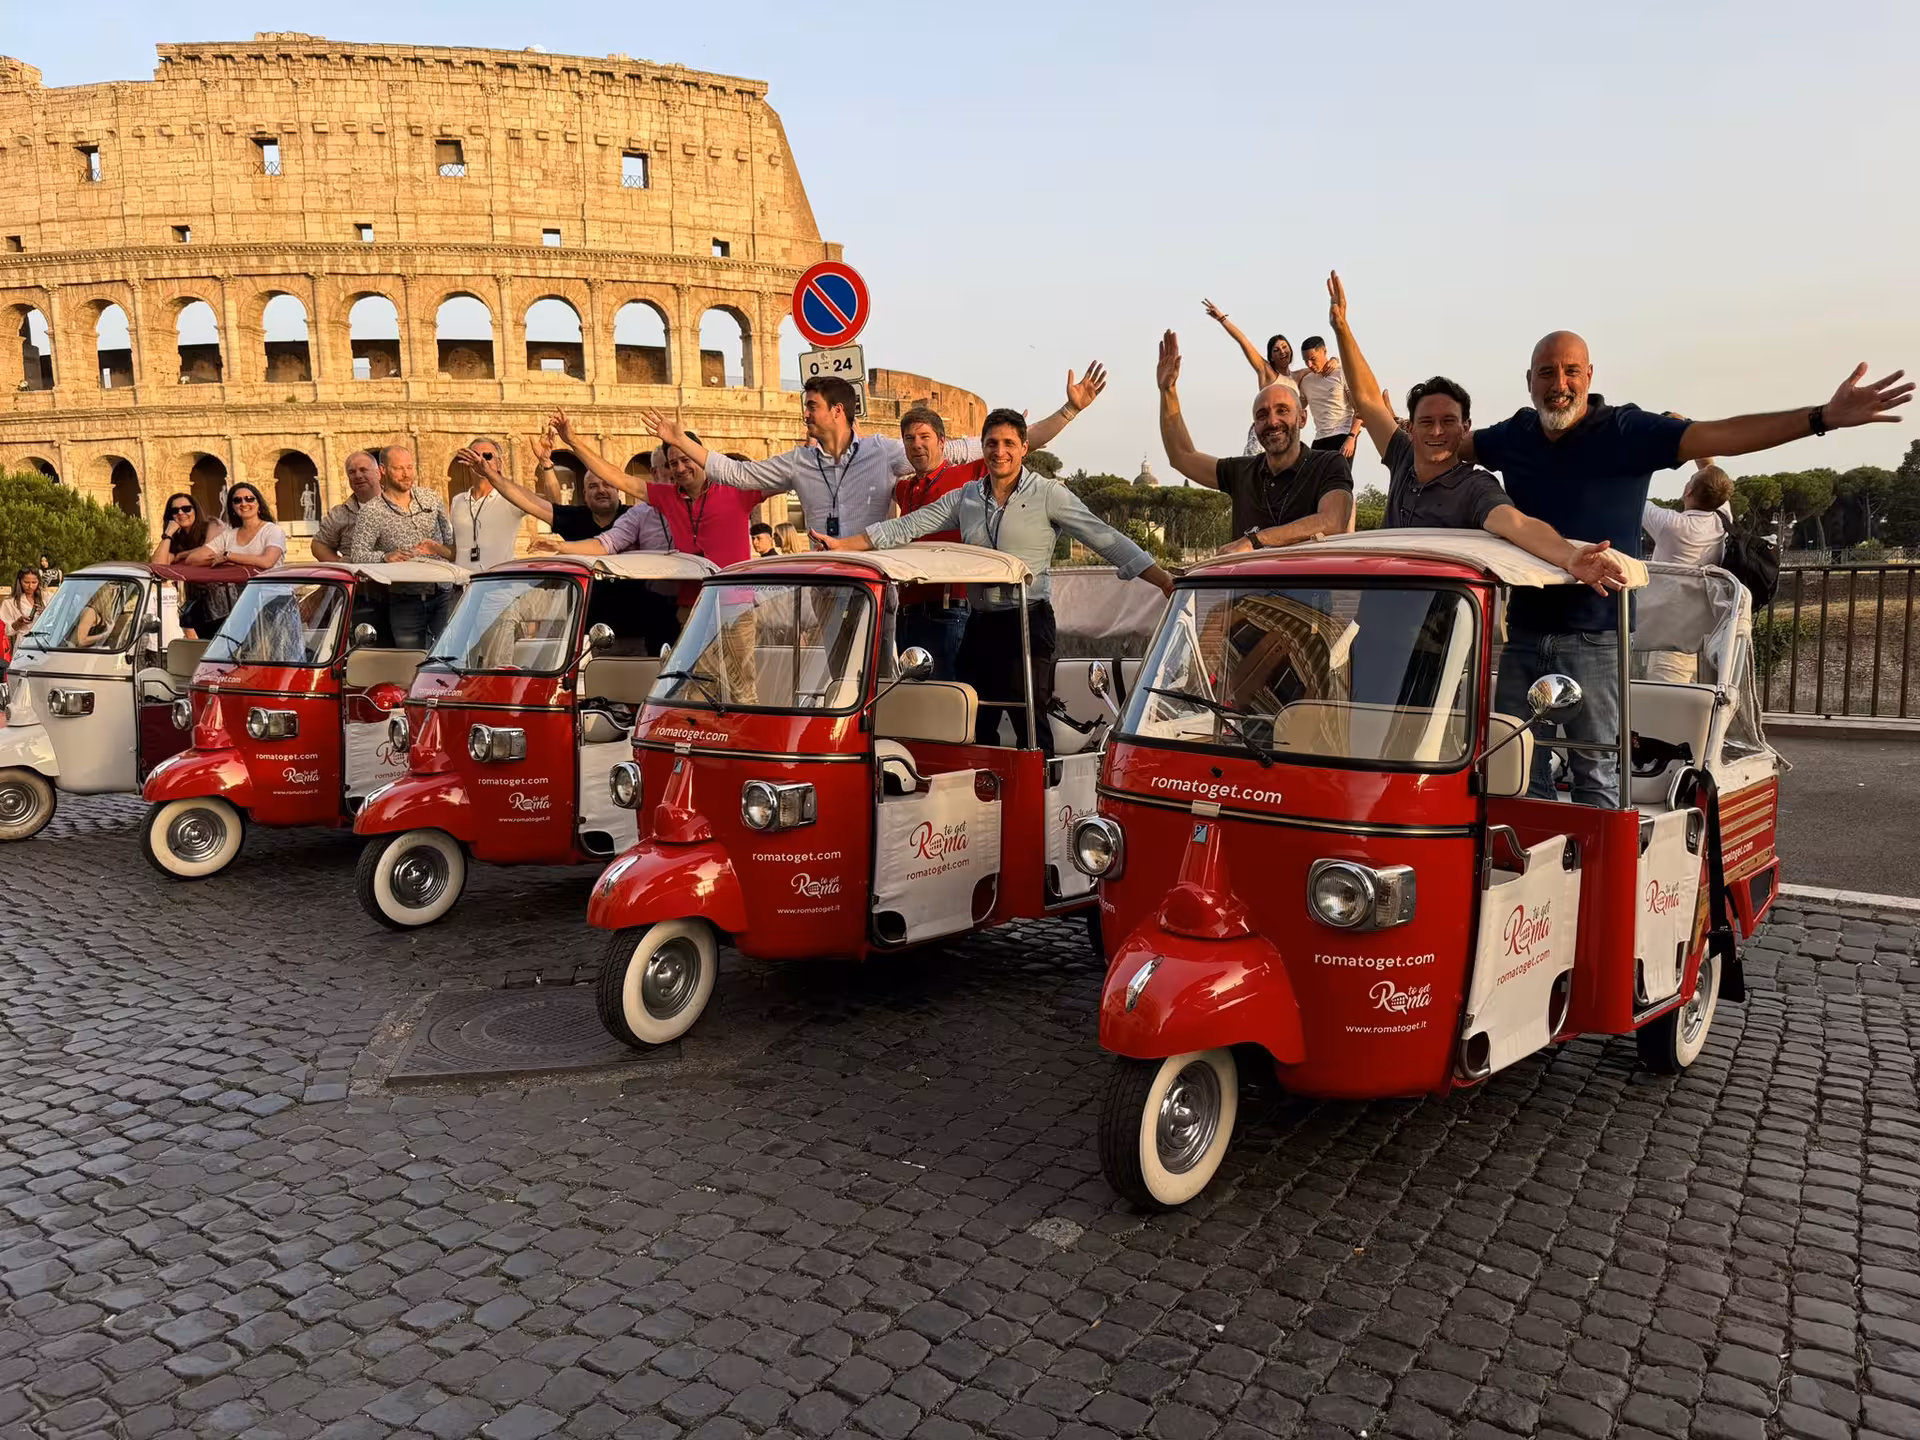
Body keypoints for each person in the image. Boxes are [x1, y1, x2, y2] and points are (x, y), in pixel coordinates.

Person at [1460, 331, 1910, 808]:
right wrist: (1387, 427)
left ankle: (1601, 878)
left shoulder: (1625, 431)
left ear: (1589, 376)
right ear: (1530, 380)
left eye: (1571, 370)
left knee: (1596, 770)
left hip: (1598, 635)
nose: (1560, 383)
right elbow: (1441, 443)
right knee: (1515, 765)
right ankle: (1537, 872)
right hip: (1524, 631)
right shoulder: (1515, 435)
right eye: (1547, 372)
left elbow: (1722, 434)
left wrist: (1821, 418)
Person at [818, 407, 1174, 754]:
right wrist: (843, 545)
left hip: (1028, 621)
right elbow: (906, 526)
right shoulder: (967, 496)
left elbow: (1105, 538)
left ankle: (1039, 799)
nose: (998, 452)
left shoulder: (1049, 494)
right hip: (979, 623)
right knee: (976, 720)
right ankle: (984, 804)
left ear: (1023, 448)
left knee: (1029, 720)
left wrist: (1162, 580)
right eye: (991, 443)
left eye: (1007, 443)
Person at [1327, 273, 1627, 583]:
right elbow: (1366, 400)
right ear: (1411, 428)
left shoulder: (1475, 488)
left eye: (1449, 422)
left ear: (1465, 427)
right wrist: (1342, 327)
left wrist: (1568, 557)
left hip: (1443, 626)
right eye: (1427, 423)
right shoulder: (1403, 456)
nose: (1437, 432)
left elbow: (1519, 525)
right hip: (1381, 607)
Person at [642, 366, 1104, 541]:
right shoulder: (799, 462)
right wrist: (679, 439)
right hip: (823, 575)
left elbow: (992, 449)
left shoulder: (887, 452)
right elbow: (738, 475)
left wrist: (1068, 410)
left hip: (876, 578)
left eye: (812, 408)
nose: (805, 416)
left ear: (838, 411)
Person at [1157, 330, 1354, 550]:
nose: (1272, 421)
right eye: (1262, 415)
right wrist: (1168, 392)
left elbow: (1333, 521)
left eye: (1282, 411)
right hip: (1249, 585)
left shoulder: (1328, 465)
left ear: (1302, 418)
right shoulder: (1242, 472)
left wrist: (1254, 540)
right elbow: (1182, 456)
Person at [547, 412, 757, 569]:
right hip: (689, 604)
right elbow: (618, 478)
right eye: (673, 463)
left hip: (734, 601)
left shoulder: (737, 489)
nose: (680, 469)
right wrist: (573, 441)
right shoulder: (668, 497)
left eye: (686, 460)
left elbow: (779, 477)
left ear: (701, 456)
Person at [348, 445, 455, 647]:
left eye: (409, 467)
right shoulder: (371, 511)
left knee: (449, 657)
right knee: (409, 663)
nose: (407, 474)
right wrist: (384, 557)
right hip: (405, 601)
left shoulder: (431, 498)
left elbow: (450, 542)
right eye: (399, 469)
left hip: (444, 595)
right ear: (383, 470)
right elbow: (358, 555)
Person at [1640, 465, 1736, 682]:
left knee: (1665, 703)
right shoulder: (1722, 519)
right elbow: (1709, 469)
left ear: (1688, 491)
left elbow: (1633, 499)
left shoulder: (1672, 525)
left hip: (1672, 634)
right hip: (1709, 632)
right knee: (1700, 707)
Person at [456, 432, 628, 544]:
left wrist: (560, 548)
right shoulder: (577, 519)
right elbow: (536, 503)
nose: (601, 490)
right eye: (593, 486)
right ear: (584, 493)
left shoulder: (634, 517)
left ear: (618, 489)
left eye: (608, 484)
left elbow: (540, 501)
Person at [448, 436, 525, 571]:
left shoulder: (511, 498)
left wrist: (546, 465)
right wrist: (435, 548)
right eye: (475, 455)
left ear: (499, 464)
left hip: (498, 586)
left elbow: (551, 505)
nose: (481, 461)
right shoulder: (457, 501)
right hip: (464, 586)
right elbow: (458, 550)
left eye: (487, 456)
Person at [178, 483, 286, 571]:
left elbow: (267, 562)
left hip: (273, 595)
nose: (243, 503)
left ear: (259, 505)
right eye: (237, 500)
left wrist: (229, 556)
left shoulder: (273, 530)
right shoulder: (229, 535)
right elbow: (193, 559)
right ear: (233, 508)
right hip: (240, 597)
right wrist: (223, 560)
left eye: (249, 499)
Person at [1295, 335, 1364, 456]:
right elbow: (1296, 408)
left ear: (1324, 351)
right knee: (1312, 474)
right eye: (1306, 361)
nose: (1309, 365)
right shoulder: (1306, 381)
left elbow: (1360, 409)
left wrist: (1352, 437)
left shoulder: (1342, 373)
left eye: (1313, 359)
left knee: (1338, 475)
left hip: (1342, 435)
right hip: (1319, 439)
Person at [311, 452, 384, 563]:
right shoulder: (339, 514)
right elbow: (319, 545)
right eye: (352, 472)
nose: (358, 476)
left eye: (363, 470)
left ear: (378, 473)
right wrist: (342, 564)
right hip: (358, 577)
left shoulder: (399, 504)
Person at [0, 568, 45, 641]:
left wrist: (47, 614)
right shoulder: (10, 602)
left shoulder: (47, 598)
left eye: (34, 582)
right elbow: (3, 629)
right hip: (23, 642)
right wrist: (18, 623)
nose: (30, 586)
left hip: (45, 641)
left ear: (39, 582)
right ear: (20, 582)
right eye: (26, 582)